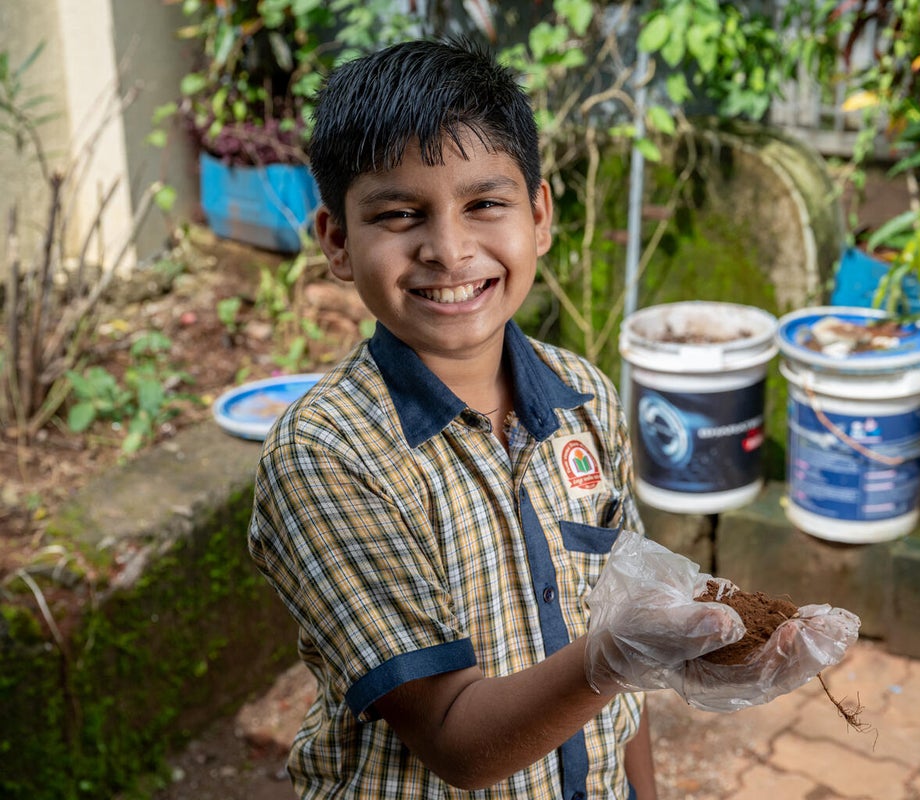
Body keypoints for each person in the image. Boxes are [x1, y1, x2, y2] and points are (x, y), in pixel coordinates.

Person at [248, 36, 856, 800]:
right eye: (400, 215)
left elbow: (620, 665)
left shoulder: (587, 399)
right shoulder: (326, 457)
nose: (448, 248)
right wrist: (613, 656)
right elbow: (456, 744)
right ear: (337, 240)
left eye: (484, 204)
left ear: (538, 216)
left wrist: (655, 690)